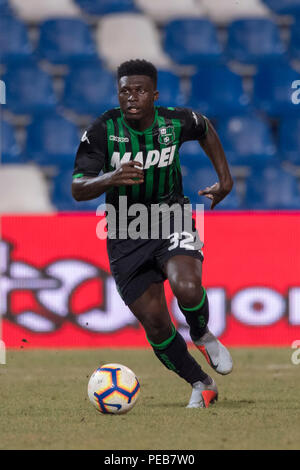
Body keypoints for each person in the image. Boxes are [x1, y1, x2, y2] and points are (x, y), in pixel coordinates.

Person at [72, 59, 234, 408]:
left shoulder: (176, 121)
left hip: (170, 214)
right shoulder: (102, 129)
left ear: (154, 95)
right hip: (125, 228)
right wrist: (110, 178)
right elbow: (78, 187)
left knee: (187, 287)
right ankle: (201, 384)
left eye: (140, 90)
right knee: (157, 325)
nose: (132, 97)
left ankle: (202, 333)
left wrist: (225, 179)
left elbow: (205, 128)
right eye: (125, 91)